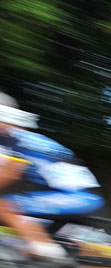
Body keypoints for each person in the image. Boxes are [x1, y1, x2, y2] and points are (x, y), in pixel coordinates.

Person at [0, 92, 102, 259]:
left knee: (4, 206)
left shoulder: (14, 138)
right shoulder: (15, 136)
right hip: (75, 195)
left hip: (75, 196)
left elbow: (9, 174)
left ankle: (47, 251)